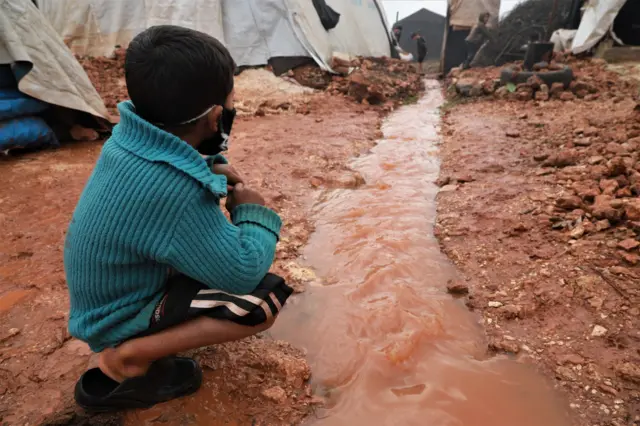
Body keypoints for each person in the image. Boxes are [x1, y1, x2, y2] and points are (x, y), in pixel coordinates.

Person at [64, 25, 292, 411]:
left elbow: (173, 153)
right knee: (260, 301)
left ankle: (134, 341)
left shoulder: (127, 139)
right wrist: (254, 211)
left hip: (101, 297)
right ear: (217, 115)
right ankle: (129, 357)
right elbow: (242, 271)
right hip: (115, 315)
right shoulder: (175, 191)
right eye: (232, 102)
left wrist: (213, 167)